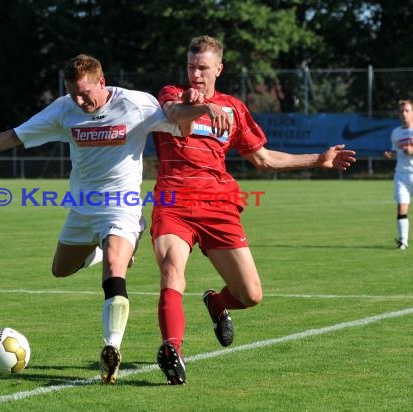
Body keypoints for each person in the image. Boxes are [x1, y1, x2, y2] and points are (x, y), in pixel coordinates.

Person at [0, 54, 185, 384]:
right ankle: (101, 250)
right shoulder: (63, 108)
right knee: (61, 269)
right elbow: (15, 135)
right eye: (73, 94)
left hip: (121, 206)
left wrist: (197, 106)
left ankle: (111, 347)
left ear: (102, 81)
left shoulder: (136, 104)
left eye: (85, 93)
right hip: (81, 207)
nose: (80, 101)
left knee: (115, 266)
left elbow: (180, 125)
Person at [151, 35, 357, 385]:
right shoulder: (172, 94)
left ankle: (217, 303)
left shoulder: (233, 108)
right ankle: (172, 351)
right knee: (172, 270)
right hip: (174, 203)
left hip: (218, 206)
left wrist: (317, 160)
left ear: (219, 68)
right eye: (191, 67)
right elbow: (175, 115)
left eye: (203, 68)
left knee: (251, 295)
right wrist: (202, 107)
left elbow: (262, 158)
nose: (195, 74)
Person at [384, 99, 413, 250]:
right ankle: (403, 241)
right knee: (402, 207)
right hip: (401, 175)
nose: (404, 114)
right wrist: (391, 153)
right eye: (401, 111)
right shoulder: (396, 133)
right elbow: (395, 150)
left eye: (407, 111)